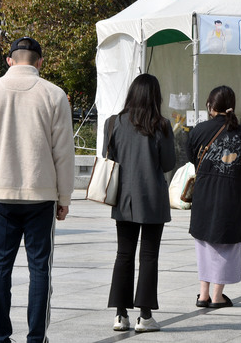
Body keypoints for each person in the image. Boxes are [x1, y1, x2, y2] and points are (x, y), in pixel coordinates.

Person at [0, 37, 74, 343]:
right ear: (39, 62)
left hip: (2, 193)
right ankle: (36, 337)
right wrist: (64, 197)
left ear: (9, 61)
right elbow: (64, 153)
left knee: (0, 266)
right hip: (41, 193)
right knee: (39, 268)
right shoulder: (54, 95)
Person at [105, 74, 176, 333]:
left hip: (123, 198)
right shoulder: (162, 125)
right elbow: (168, 164)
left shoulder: (113, 123)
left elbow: (108, 157)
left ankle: (120, 314)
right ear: (154, 96)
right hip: (153, 199)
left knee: (123, 254)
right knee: (149, 256)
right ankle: (145, 316)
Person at [187, 86, 241, 308]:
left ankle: (203, 294)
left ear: (210, 106)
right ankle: (218, 295)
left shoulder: (199, 130)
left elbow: (190, 156)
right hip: (231, 194)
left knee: (204, 242)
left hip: (204, 192)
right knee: (226, 244)